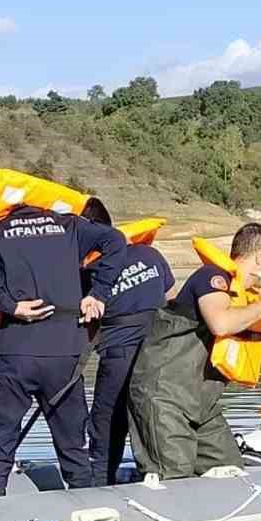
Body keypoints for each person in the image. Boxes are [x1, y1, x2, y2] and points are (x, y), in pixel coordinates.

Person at [127, 222, 261, 480]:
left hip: (201, 405)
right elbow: (220, 323)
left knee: (231, 468)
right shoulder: (212, 278)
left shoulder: (246, 300)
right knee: (174, 476)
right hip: (164, 398)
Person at [0, 204, 127, 498]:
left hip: (15, 353)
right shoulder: (70, 226)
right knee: (73, 448)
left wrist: (7, 304)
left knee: (0, 445)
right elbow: (115, 240)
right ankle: (89, 511)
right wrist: (98, 293)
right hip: (63, 357)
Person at [79, 198, 175, 485]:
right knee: (154, 415)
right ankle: (168, 474)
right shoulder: (150, 254)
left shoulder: (91, 272)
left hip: (120, 354)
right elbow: (170, 299)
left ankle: (99, 483)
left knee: (106, 421)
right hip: (161, 350)